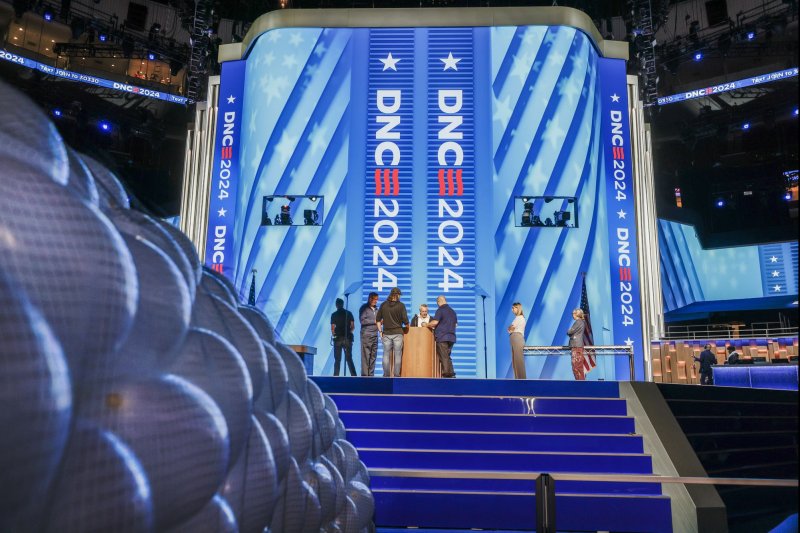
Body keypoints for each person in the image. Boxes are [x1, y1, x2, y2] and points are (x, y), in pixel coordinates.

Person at [376, 287, 409, 377]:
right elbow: (406, 321)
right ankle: (396, 375)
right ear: (398, 295)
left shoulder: (383, 305)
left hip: (386, 333)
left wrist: (380, 331)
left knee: (386, 354)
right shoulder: (401, 305)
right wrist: (407, 327)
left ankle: (386, 375)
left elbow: (378, 320)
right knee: (397, 355)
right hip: (398, 333)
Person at [426, 295, 457, 378]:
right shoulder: (453, 311)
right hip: (451, 337)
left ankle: (446, 375)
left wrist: (426, 325)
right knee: (447, 356)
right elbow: (456, 325)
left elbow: (435, 322)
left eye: (437, 303)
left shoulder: (440, 310)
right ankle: (452, 374)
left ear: (439, 301)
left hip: (442, 336)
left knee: (443, 356)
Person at [330, 298, 356, 376]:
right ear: (343, 304)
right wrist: (349, 332)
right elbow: (353, 326)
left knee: (337, 360)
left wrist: (334, 334)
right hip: (347, 338)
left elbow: (332, 328)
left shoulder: (334, 314)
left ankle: (336, 377)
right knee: (349, 359)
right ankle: (354, 376)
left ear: (336, 305)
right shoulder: (349, 313)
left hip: (337, 338)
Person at [358, 292, 379, 376]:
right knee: (366, 356)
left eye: (377, 300)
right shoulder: (364, 308)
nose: (376, 301)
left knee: (373, 356)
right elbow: (362, 321)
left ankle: (371, 376)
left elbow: (379, 321)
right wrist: (374, 321)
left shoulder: (377, 309)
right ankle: (365, 377)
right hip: (366, 335)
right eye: (374, 299)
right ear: (370, 298)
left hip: (375, 335)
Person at [507, 302, 526, 379]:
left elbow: (510, 329)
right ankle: (518, 379)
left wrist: (510, 328)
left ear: (518, 308)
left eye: (513, 308)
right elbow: (509, 330)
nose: (512, 310)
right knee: (515, 361)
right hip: (514, 339)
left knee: (518, 361)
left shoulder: (520, 318)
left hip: (517, 338)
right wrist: (510, 329)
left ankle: (522, 381)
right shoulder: (517, 318)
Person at [566, 308, 586, 381]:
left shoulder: (578, 322)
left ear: (577, 314)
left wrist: (569, 332)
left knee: (576, 366)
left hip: (577, 346)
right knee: (576, 366)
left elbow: (570, 332)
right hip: (577, 346)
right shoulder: (581, 322)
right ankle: (579, 381)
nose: (572, 315)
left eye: (573, 313)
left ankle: (580, 382)